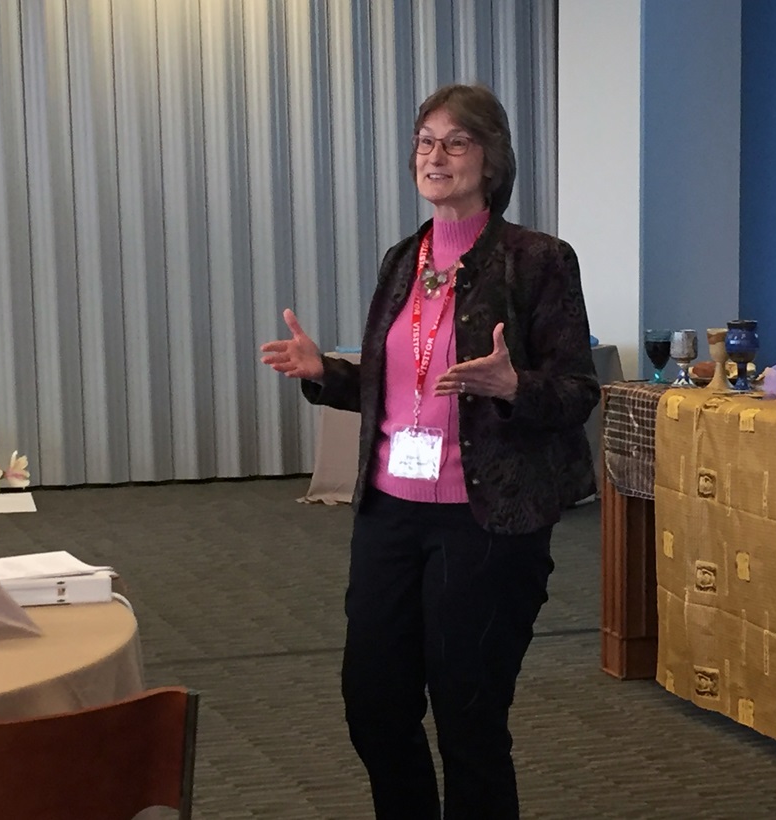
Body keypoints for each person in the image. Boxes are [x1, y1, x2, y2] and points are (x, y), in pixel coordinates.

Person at [260, 83, 599, 819]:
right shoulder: (402, 258)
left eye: (455, 141)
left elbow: (577, 391)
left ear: (492, 159)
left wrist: (514, 386)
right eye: (424, 140)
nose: (434, 155)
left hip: (486, 522)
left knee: (469, 718)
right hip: (389, 516)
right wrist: (327, 375)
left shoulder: (536, 261)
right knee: (374, 704)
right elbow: (399, 384)